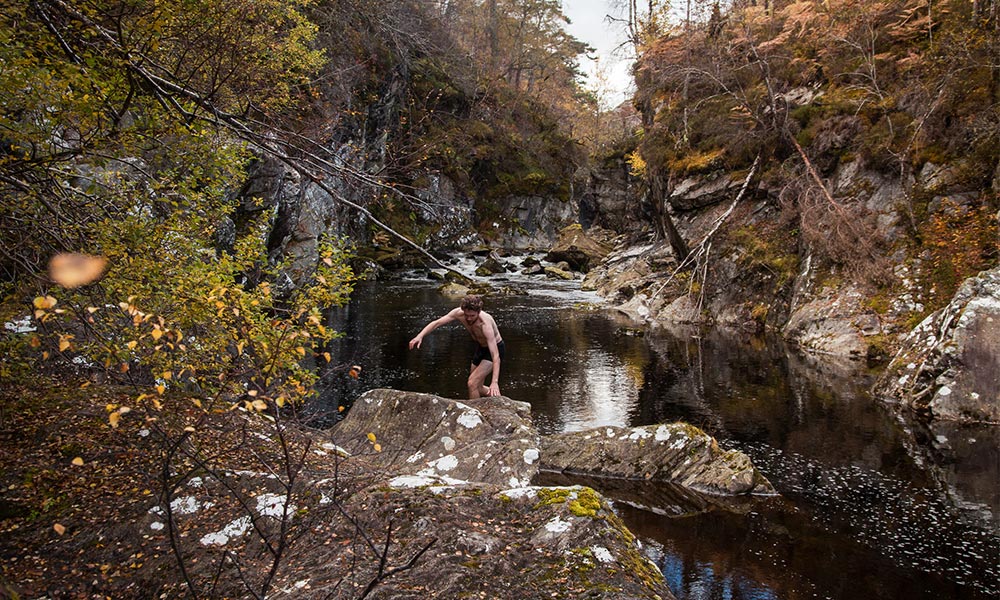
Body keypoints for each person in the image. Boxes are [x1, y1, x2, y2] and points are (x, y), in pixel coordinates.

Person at [408, 294, 504, 399]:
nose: (469, 318)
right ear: (463, 310)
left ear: (479, 312)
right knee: (477, 387)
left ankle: (475, 413)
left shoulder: (485, 324)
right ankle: (499, 399)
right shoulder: (459, 313)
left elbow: (495, 356)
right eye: (467, 315)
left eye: (472, 316)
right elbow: (437, 323)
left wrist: (494, 382)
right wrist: (419, 336)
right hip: (480, 347)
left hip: (494, 349)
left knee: (472, 383)